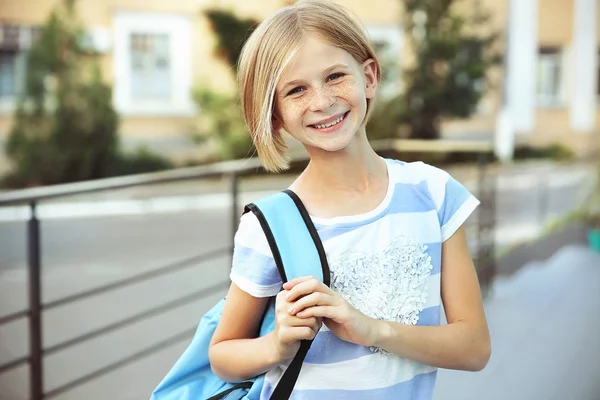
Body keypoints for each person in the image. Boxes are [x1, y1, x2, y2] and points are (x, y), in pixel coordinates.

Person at [208, 1, 491, 398]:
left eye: (335, 76)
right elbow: (222, 355)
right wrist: (276, 343)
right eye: (296, 90)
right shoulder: (271, 225)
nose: (321, 102)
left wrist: (372, 330)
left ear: (369, 76)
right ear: (275, 115)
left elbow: (474, 348)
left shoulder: (434, 193)